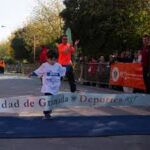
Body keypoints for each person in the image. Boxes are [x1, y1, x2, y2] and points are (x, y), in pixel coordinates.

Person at [29, 50, 66, 119]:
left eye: (54, 60)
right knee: (47, 98)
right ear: (47, 58)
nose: (52, 61)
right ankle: (46, 113)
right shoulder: (44, 65)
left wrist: (64, 76)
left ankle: (49, 109)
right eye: (51, 59)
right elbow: (38, 71)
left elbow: (63, 72)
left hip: (55, 86)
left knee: (52, 100)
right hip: (47, 86)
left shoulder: (58, 66)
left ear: (56, 59)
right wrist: (32, 74)